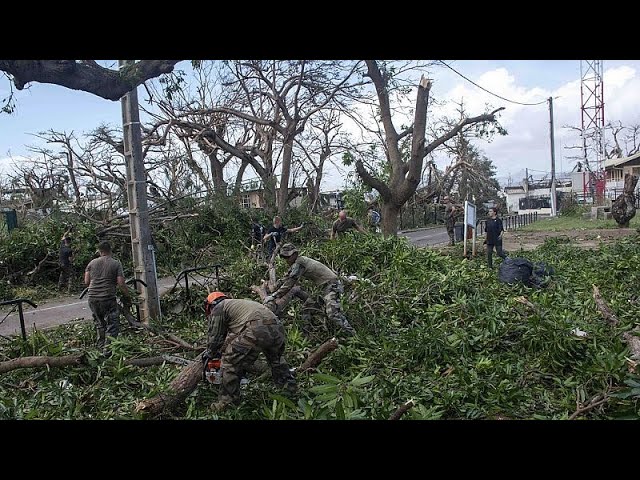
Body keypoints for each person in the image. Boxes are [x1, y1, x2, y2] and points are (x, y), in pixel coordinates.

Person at [203, 291, 297, 411]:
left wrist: (210, 353)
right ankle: (289, 390)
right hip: (277, 327)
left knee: (229, 361)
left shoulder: (218, 308)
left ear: (210, 305)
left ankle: (227, 402)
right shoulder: (238, 305)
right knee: (276, 361)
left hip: (256, 328)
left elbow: (215, 337)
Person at [264, 243, 355, 336]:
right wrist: (274, 287)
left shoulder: (300, 262)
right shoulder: (296, 264)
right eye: (284, 257)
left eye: (288, 257)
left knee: (333, 314)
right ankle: (306, 336)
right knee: (306, 309)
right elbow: (286, 278)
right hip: (321, 288)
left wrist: (274, 296)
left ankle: (352, 335)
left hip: (331, 286)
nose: (287, 260)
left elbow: (289, 283)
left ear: (295, 254)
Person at [84, 241, 130, 352]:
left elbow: (86, 281)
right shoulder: (115, 263)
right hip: (107, 298)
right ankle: (108, 352)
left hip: (92, 298)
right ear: (110, 250)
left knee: (100, 324)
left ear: (100, 251)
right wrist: (127, 296)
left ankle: (100, 349)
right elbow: (121, 283)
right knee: (112, 325)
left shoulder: (91, 263)